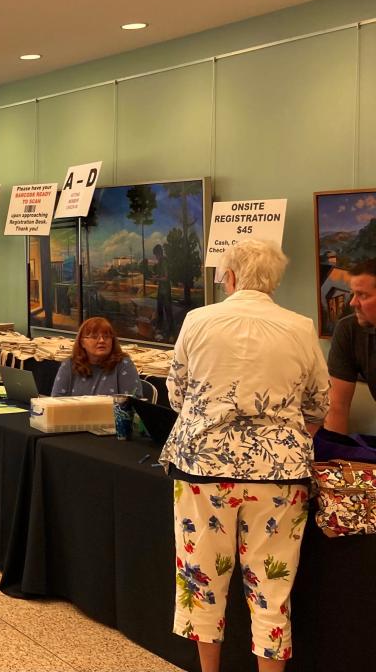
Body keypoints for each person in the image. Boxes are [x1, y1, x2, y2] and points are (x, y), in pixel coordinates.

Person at [159, 240, 329, 672]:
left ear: (230, 277)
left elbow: (176, 392)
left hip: (203, 467)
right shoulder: (301, 326)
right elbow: (318, 403)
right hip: (280, 473)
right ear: (273, 280)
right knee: (272, 586)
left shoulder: (198, 320)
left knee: (201, 579)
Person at [325, 258, 376, 433]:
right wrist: (333, 459)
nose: (352, 302)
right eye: (353, 293)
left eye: (362, 295)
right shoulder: (349, 330)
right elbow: (337, 405)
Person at [50, 316, 140, 397]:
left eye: (106, 337)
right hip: (76, 415)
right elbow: (56, 401)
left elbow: (133, 405)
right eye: (94, 337)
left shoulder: (123, 364)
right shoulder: (69, 364)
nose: (101, 340)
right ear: (82, 343)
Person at [152, 243, 173, 341]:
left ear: (158, 253)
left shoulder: (164, 261)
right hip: (161, 290)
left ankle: (170, 334)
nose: (155, 257)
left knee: (167, 312)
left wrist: (157, 278)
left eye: (156, 255)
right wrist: (157, 278)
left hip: (165, 290)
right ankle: (161, 332)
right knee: (160, 311)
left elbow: (166, 277)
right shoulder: (161, 262)